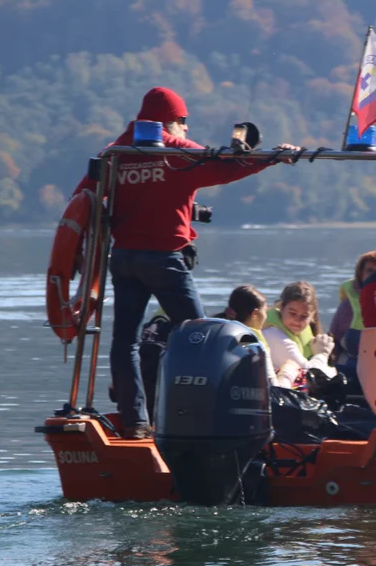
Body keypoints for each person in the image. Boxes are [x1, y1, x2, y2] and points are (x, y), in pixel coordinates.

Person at [72, 86, 302, 439]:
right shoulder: (177, 153)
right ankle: (201, 419)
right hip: (164, 261)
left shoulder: (115, 153)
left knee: (125, 343)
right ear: (172, 121)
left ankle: (134, 422)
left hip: (124, 259)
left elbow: (83, 197)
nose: (187, 130)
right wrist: (273, 157)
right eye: (184, 122)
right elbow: (227, 167)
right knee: (203, 339)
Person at [221, 285, 300, 388]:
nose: (266, 317)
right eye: (265, 312)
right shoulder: (254, 344)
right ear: (255, 314)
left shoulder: (224, 333)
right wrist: (288, 371)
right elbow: (274, 389)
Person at [263, 281, 337, 382]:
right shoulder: (273, 335)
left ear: (312, 315)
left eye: (304, 316)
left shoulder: (305, 332)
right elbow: (310, 374)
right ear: (281, 308)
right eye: (292, 313)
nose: (297, 321)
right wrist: (322, 353)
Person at [330, 250, 376, 361]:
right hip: (353, 357)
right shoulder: (348, 303)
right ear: (360, 273)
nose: (374, 275)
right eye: (370, 270)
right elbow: (335, 336)